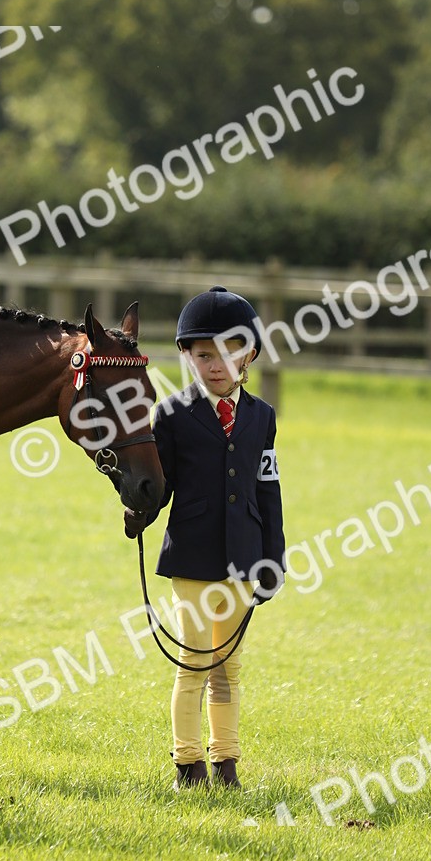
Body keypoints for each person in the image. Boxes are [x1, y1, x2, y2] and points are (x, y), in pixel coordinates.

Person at [125, 287, 285, 791]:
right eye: (203, 355)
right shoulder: (171, 414)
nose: (217, 365)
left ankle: (227, 762)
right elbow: (160, 481)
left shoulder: (261, 416)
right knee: (194, 659)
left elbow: (268, 485)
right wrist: (140, 512)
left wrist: (274, 554)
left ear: (250, 355)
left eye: (230, 353)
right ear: (185, 356)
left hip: (245, 556)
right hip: (192, 558)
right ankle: (188, 765)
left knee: (228, 666)